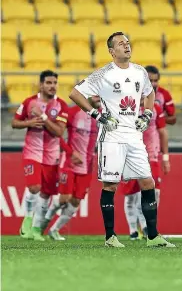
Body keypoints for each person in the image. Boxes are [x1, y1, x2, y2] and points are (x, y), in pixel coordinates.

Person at [68, 31, 174, 247]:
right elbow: (75, 93)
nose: (126, 46)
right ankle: (110, 237)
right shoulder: (103, 74)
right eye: (121, 44)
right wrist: (97, 115)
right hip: (112, 136)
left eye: (127, 42)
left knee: (148, 182)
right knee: (111, 185)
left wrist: (147, 113)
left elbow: (149, 92)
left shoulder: (140, 72)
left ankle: (152, 236)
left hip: (135, 136)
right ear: (111, 51)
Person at [11, 70, 69, 241]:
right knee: (34, 187)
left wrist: (43, 117)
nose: (52, 86)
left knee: (46, 194)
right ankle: (27, 221)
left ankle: (36, 229)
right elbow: (14, 122)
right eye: (49, 83)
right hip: (32, 152)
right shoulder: (29, 102)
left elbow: (59, 131)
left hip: (51, 155)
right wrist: (29, 122)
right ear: (41, 84)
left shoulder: (62, 106)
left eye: (55, 83)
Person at [41, 96, 101, 240]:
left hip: (87, 166)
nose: (99, 97)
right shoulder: (72, 112)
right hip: (69, 163)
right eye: (96, 94)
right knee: (64, 198)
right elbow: (57, 134)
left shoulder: (102, 116)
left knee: (75, 201)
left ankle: (54, 230)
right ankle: (43, 223)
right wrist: (71, 152)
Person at [119, 96, 170, 240]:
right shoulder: (124, 108)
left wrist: (165, 157)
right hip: (129, 157)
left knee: (151, 192)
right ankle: (133, 230)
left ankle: (147, 226)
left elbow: (162, 131)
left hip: (150, 156)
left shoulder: (155, 108)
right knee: (130, 195)